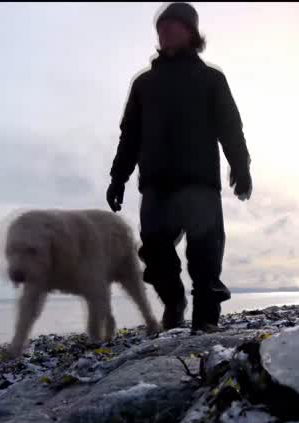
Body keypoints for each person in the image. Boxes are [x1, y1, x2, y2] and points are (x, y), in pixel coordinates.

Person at [107, 2, 253, 334]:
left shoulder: (211, 79)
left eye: (173, 24)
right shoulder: (144, 84)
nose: (165, 30)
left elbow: (230, 127)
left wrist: (240, 166)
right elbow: (129, 135)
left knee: (205, 255)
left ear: (191, 32)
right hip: (156, 184)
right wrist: (118, 178)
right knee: (155, 253)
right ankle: (174, 302)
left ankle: (205, 320)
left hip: (199, 183)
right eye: (161, 26)